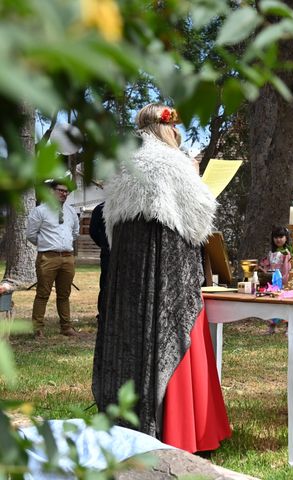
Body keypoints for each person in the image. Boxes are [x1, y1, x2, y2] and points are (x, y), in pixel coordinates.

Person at [92, 103, 231, 452]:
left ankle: (129, 419)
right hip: (169, 267)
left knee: (135, 336)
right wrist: (196, 177)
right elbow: (200, 217)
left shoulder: (124, 165)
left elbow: (110, 226)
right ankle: (180, 429)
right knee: (170, 327)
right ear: (167, 128)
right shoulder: (174, 162)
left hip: (130, 273)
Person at [26, 180, 80, 338]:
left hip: (67, 258)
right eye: (60, 190)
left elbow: (75, 233)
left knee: (64, 295)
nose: (64, 193)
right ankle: (37, 329)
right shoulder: (40, 211)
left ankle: (66, 327)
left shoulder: (71, 212)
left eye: (66, 191)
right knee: (43, 294)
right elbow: (31, 234)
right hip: (48, 257)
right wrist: (47, 245)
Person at [259, 225, 291, 334]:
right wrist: (262, 268)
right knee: (271, 304)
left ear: (286, 238)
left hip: (281, 281)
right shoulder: (271, 252)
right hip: (272, 282)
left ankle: (288, 327)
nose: (278, 239)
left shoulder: (286, 253)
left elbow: (287, 268)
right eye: (276, 237)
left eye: (281, 237)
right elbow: (267, 265)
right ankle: (272, 326)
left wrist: (284, 281)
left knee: (284, 304)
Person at [89, 202, 109, 327]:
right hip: (108, 252)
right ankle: (103, 315)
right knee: (105, 283)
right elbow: (93, 231)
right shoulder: (100, 209)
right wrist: (104, 244)